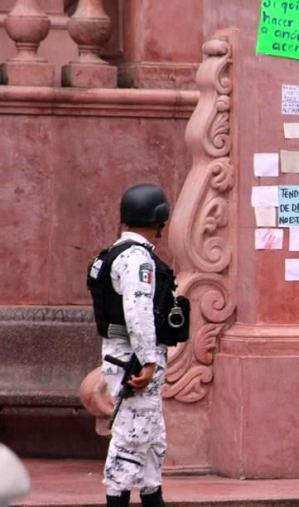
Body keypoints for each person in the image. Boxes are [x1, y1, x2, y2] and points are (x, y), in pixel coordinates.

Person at [98, 184, 171, 507]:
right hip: (134, 359)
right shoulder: (137, 259)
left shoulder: (114, 253)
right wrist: (148, 360)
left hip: (125, 354)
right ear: (159, 218)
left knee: (152, 442)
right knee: (130, 442)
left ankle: (154, 499)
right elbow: (138, 312)